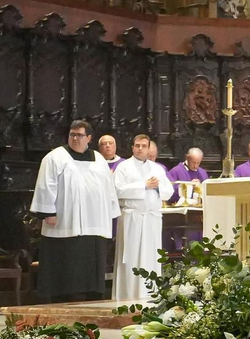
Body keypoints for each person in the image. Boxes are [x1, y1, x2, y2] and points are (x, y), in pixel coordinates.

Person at [30, 120, 120, 302]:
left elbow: (108, 188)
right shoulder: (56, 157)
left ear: (89, 138)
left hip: (94, 221)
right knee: (67, 259)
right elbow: (46, 185)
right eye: (72, 135)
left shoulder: (99, 159)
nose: (75, 139)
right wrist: (48, 212)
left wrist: (110, 213)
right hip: (65, 221)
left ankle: (91, 292)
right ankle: (61, 294)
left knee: (90, 258)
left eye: (79, 135)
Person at [112, 135, 173, 304]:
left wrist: (158, 186)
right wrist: (143, 185)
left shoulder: (157, 168)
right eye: (137, 145)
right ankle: (127, 298)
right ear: (132, 147)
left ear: (149, 149)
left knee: (151, 257)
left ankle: (150, 297)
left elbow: (169, 191)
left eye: (144, 146)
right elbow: (117, 190)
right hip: (132, 218)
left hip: (152, 219)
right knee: (131, 258)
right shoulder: (123, 167)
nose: (140, 149)